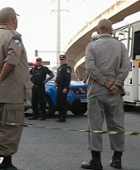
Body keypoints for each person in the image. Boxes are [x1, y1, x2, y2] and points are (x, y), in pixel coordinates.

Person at [0, 7, 33, 170]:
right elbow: (11, 60)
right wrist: (1, 77)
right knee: (11, 127)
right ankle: (7, 164)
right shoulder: (14, 37)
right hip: (11, 92)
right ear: (13, 20)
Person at [81, 19, 130, 170]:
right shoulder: (121, 46)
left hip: (96, 91)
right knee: (116, 124)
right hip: (114, 92)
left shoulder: (91, 46)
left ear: (98, 30)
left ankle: (96, 161)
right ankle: (117, 159)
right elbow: (126, 66)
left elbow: (90, 67)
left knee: (95, 125)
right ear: (111, 30)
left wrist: (104, 81)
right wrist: (116, 84)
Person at [55, 54, 71, 122]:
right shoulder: (59, 68)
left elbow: (68, 79)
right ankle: (60, 116)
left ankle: (63, 116)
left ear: (65, 60)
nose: (61, 61)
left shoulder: (67, 68)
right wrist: (56, 82)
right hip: (59, 87)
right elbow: (58, 77)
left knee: (63, 102)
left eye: (63, 60)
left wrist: (66, 87)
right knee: (59, 102)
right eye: (61, 60)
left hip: (63, 87)